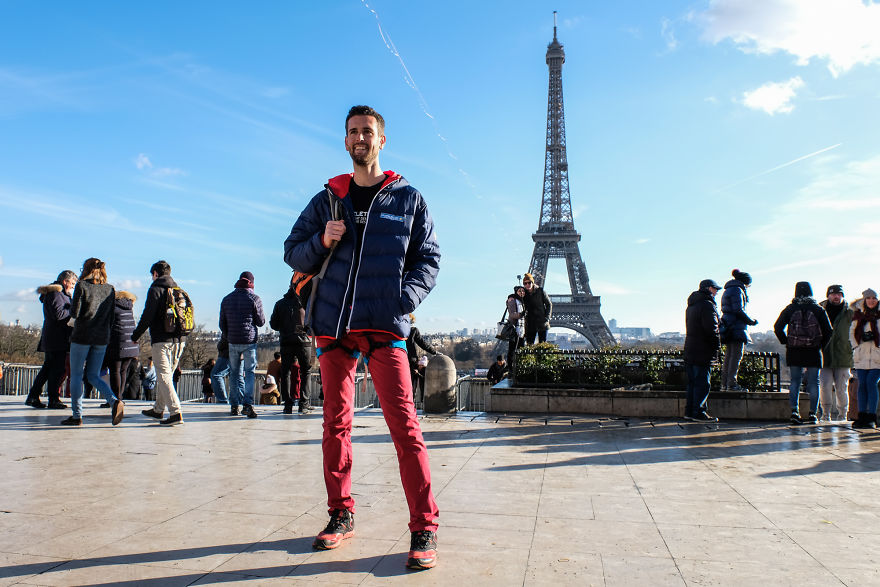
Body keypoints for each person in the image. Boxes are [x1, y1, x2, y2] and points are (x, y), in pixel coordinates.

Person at [284, 105, 441, 570]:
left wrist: (402, 299)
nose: (359, 138)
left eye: (367, 132)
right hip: (333, 327)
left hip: (383, 325)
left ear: (382, 140)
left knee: (405, 429)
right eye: (352, 132)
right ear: (345, 139)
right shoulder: (326, 200)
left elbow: (428, 258)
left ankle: (424, 526)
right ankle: (340, 513)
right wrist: (322, 242)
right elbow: (292, 250)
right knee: (336, 425)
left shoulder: (408, 198)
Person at [62, 258, 124, 426]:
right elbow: (111, 318)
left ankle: (77, 415)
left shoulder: (82, 286)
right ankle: (114, 401)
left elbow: (75, 313)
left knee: (75, 375)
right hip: (102, 338)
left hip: (82, 336)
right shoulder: (110, 289)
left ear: (86, 269)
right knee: (93, 375)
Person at [132, 260, 186, 425]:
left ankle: (175, 413)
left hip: (162, 340)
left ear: (155, 274)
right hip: (180, 340)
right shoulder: (178, 290)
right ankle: (158, 409)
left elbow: (147, 316)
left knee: (163, 376)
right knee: (167, 376)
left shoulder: (156, 289)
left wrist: (135, 335)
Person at [774, 282, 833, 425]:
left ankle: (794, 411)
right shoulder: (818, 309)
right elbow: (829, 331)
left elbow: (777, 327)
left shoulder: (790, 308)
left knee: (795, 381)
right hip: (813, 350)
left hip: (794, 350)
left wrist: (786, 341)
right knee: (814, 382)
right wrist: (820, 345)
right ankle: (813, 414)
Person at [25, 270, 76, 409]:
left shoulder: (57, 294)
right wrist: (73, 311)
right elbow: (59, 315)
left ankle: (34, 396)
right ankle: (52, 399)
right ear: (65, 281)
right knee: (56, 369)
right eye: (72, 283)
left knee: (48, 368)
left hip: (54, 337)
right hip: (57, 338)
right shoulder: (57, 294)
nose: (72, 286)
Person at [219, 271, 265, 419]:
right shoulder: (254, 298)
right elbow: (261, 322)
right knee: (249, 373)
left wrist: (229, 335)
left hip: (232, 341)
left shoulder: (227, 299)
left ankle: (234, 406)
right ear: (251, 283)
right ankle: (247, 404)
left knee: (234, 373)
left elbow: (222, 324)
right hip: (249, 342)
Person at [269, 281, 313, 414]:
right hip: (304, 342)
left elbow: (274, 325)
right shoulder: (305, 303)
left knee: (285, 372)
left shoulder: (280, 304)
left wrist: (285, 327)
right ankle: (304, 404)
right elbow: (312, 322)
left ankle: (288, 404)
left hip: (286, 341)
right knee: (306, 371)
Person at [683, 279, 722, 422]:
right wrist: (717, 346)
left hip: (691, 348)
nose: (717, 291)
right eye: (715, 288)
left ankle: (690, 411)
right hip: (703, 349)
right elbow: (711, 329)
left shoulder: (691, 306)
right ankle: (699, 412)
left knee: (693, 382)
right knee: (703, 383)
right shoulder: (707, 305)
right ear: (708, 289)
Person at [819, 285, 853, 422]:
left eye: (839, 294)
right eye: (833, 294)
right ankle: (825, 414)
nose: (836, 296)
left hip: (843, 355)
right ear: (828, 295)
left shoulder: (850, 311)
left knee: (842, 388)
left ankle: (842, 415)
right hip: (824, 356)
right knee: (825, 387)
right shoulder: (820, 310)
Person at [720, 269, 758, 391]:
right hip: (736, 327)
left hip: (728, 325)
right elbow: (738, 310)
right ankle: (732, 384)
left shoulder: (728, 289)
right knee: (736, 356)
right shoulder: (738, 290)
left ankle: (724, 384)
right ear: (745, 282)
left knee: (729, 356)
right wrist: (751, 321)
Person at [849, 289, 880, 429]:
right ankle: (862, 416)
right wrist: (858, 344)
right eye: (869, 298)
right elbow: (851, 333)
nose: (871, 300)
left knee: (871, 383)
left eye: (874, 298)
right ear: (864, 300)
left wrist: (875, 337)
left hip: (877, 356)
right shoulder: (858, 316)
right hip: (861, 356)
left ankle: (871, 416)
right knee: (862, 384)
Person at [103, 290, 139, 404]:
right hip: (131, 345)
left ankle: (115, 399)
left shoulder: (112, 306)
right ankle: (119, 398)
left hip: (117, 344)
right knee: (123, 371)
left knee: (115, 371)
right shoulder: (129, 307)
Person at [406, 314, 437, 398]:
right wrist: (434, 352)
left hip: (400, 359)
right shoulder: (413, 330)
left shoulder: (398, 331)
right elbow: (422, 343)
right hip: (411, 361)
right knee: (412, 386)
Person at [522, 273, 552, 345]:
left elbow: (549, 304)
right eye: (525, 283)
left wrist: (547, 318)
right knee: (529, 345)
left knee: (542, 345)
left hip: (542, 322)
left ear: (532, 282)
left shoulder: (540, 291)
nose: (527, 285)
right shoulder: (524, 294)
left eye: (529, 283)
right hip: (530, 323)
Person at [506, 286, 527, 371]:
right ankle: (511, 369)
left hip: (521, 329)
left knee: (520, 350)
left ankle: (518, 367)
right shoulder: (513, 300)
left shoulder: (523, 301)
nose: (522, 292)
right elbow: (512, 314)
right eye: (519, 291)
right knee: (512, 349)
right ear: (516, 292)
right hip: (514, 328)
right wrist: (521, 314)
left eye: (523, 291)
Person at [211, 337, 231, 404]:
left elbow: (226, 334)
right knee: (237, 377)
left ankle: (222, 400)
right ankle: (238, 402)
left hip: (227, 353)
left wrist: (220, 345)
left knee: (216, 374)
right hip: (233, 352)